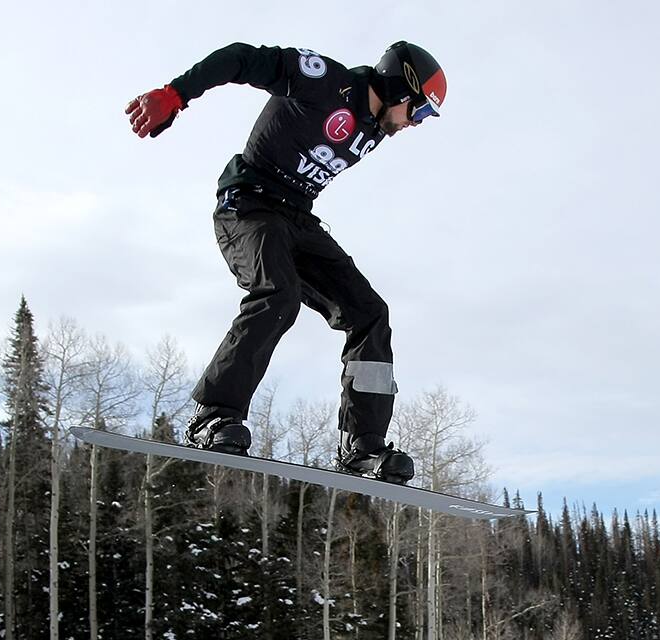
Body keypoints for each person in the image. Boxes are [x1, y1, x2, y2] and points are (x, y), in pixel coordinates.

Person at [126, 42, 446, 484]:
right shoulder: (323, 81)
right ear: (398, 87)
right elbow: (240, 58)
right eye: (420, 111)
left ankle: (362, 446)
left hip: (297, 219)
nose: (416, 123)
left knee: (369, 313)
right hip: (248, 206)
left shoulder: (374, 126)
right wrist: (176, 93)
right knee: (279, 294)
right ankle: (213, 416)